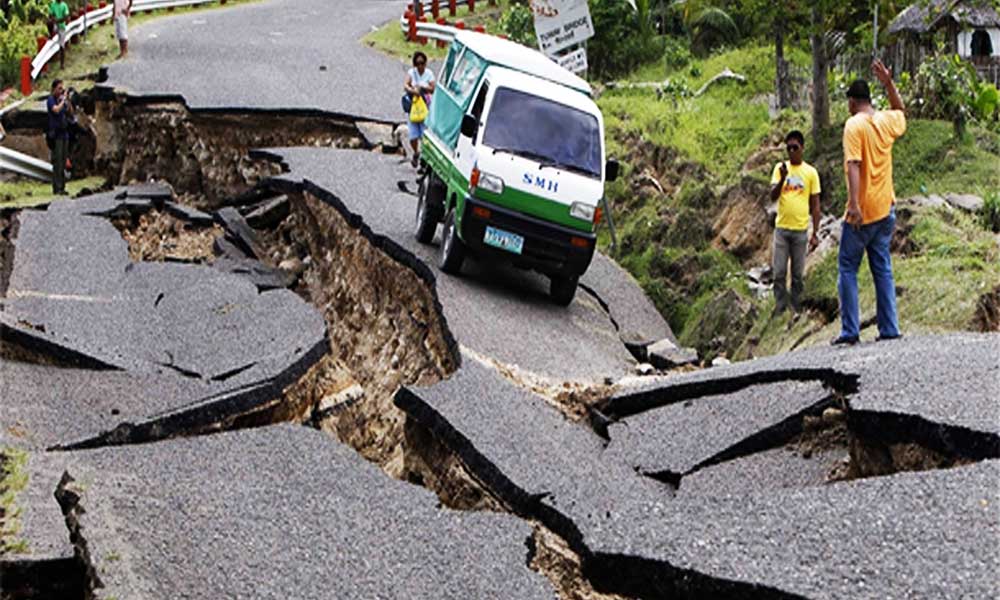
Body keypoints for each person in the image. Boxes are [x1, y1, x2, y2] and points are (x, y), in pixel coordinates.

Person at [832, 60, 906, 346]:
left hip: (863, 212)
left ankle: (850, 331)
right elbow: (900, 110)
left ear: (852, 101)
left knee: (847, 267)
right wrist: (888, 83)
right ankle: (889, 328)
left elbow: (853, 164)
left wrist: (853, 204)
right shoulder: (885, 120)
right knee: (882, 267)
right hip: (886, 208)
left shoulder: (854, 125)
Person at [770, 130, 821, 315]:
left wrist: (815, 232)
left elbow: (815, 205)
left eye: (795, 148)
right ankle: (780, 305)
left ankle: (796, 304)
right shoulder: (780, 168)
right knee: (779, 272)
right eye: (788, 148)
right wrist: (783, 178)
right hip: (782, 229)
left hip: (800, 230)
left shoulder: (811, 173)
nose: (791, 151)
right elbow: (772, 196)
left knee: (798, 273)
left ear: (802, 148)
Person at [404, 51, 435, 168]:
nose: (420, 66)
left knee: (423, 135)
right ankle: (416, 152)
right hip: (414, 107)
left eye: (422, 63)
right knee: (413, 136)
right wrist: (413, 90)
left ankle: (424, 159)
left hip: (425, 108)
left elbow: (433, 88)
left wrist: (423, 88)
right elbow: (405, 85)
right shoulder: (412, 73)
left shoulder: (429, 74)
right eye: (418, 64)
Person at [46, 79, 73, 195]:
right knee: (57, 162)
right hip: (55, 135)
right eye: (59, 89)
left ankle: (62, 187)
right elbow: (56, 110)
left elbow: (70, 112)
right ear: (54, 89)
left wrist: (67, 100)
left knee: (63, 161)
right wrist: (62, 102)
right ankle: (56, 188)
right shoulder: (51, 100)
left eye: (62, 89)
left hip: (64, 133)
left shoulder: (62, 100)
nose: (61, 91)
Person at [49, 0, 70, 69]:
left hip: (61, 27)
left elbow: (66, 17)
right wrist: (54, 20)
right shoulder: (53, 4)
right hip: (55, 26)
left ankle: (62, 64)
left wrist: (58, 20)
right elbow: (51, 15)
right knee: (52, 43)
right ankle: (54, 59)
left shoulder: (64, 5)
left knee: (62, 46)